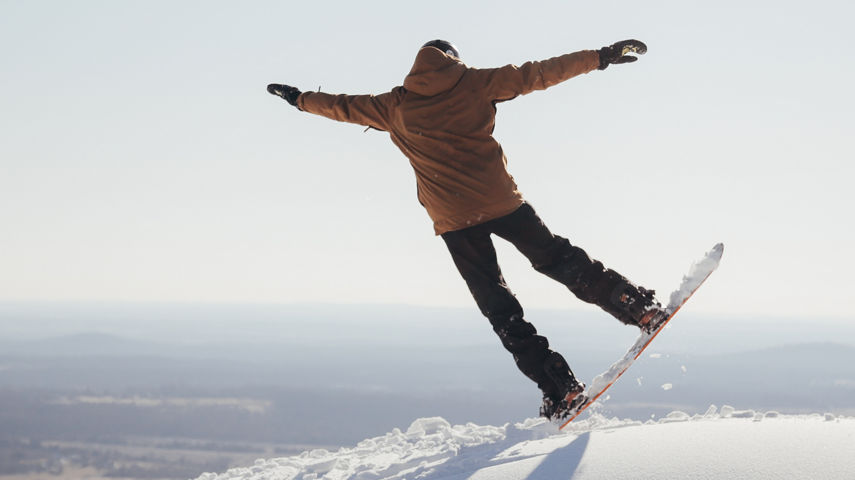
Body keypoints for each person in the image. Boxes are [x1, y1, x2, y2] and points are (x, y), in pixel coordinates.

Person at [267, 39, 665, 420]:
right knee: (559, 259)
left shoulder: (394, 106)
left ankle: (559, 387)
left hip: (455, 220)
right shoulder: (475, 83)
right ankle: (635, 305)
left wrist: (299, 99)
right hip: (502, 202)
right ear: (453, 58)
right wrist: (600, 56)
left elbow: (342, 107)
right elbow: (539, 73)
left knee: (499, 306)